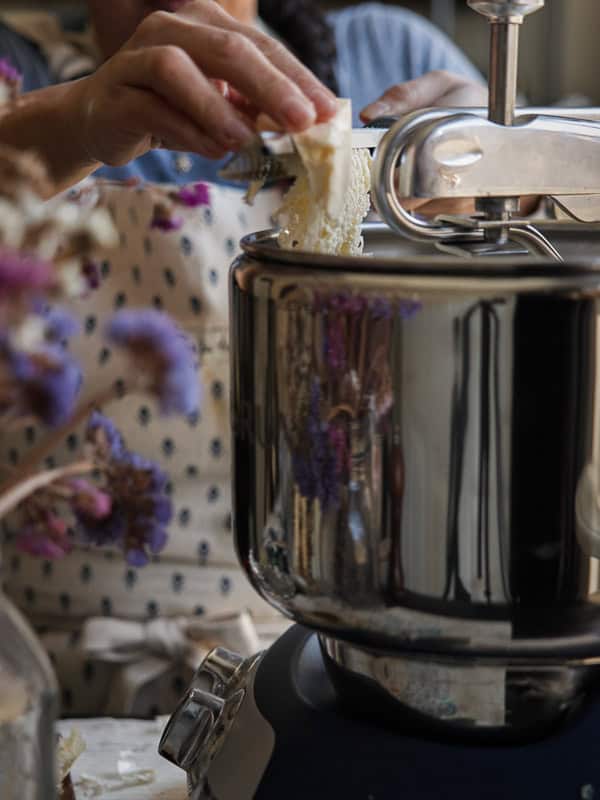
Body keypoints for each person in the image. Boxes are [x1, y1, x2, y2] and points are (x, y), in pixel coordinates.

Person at [0, 0, 486, 717]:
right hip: (41, 691)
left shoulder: (393, 58)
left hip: (318, 680)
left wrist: (502, 171)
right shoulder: (20, 73)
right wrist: (71, 121)